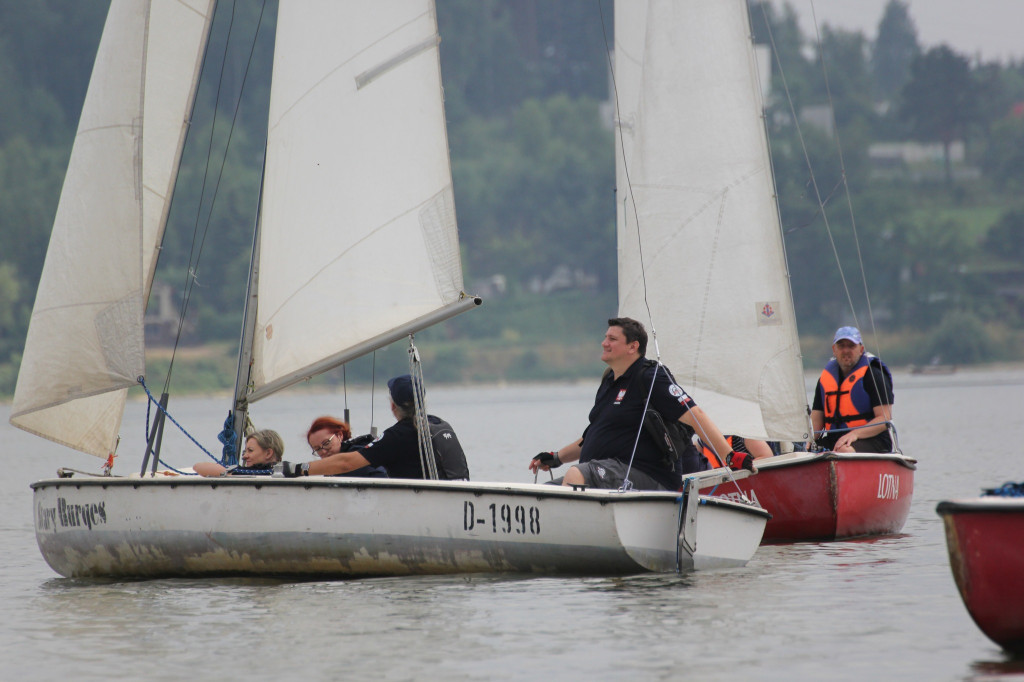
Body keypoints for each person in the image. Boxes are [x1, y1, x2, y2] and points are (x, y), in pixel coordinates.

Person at [528, 317, 752, 492]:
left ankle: (577, 546)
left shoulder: (652, 376)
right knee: (542, 495)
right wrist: (556, 457)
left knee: (576, 476)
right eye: (605, 337)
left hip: (648, 476)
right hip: (605, 474)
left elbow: (695, 414)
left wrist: (730, 456)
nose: (604, 343)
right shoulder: (609, 380)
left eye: (612, 339)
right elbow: (591, 438)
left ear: (632, 346)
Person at [279, 375, 469, 480]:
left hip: (426, 507)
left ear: (393, 406)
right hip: (457, 497)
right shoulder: (439, 424)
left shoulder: (398, 436)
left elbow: (347, 463)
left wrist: (299, 469)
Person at [810, 326, 895, 453]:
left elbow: (884, 418)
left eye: (851, 346)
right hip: (835, 440)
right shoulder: (825, 379)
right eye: (841, 346)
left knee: (844, 450)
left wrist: (855, 434)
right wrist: (805, 442)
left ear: (861, 349)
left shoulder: (874, 375)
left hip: (873, 439)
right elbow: (816, 424)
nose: (846, 350)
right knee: (797, 451)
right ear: (834, 350)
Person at [305, 416, 388, 478]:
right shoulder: (330, 469)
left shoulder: (359, 454)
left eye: (326, 443)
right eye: (317, 449)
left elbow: (382, 477)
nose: (323, 452)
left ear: (339, 436)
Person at [193, 429, 284, 477]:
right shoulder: (289, 471)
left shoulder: (244, 473)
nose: (244, 456)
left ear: (268, 453)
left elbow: (198, 467)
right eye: (245, 451)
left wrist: (230, 472)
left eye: (250, 450)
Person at [698, 434, 773, 468]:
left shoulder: (743, 434)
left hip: (748, 482)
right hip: (720, 487)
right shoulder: (702, 442)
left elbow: (767, 456)